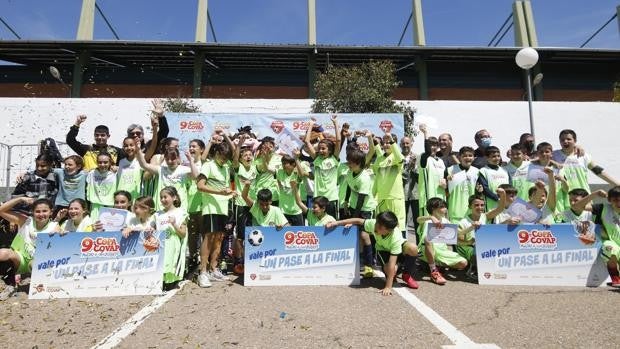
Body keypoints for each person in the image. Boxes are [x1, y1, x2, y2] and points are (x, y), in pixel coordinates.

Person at [326, 211, 420, 294]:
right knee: (390, 270)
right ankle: (396, 270)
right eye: (376, 223)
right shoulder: (375, 224)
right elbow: (358, 220)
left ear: (389, 230)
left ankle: (406, 275)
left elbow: (392, 263)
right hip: (383, 250)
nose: (375, 227)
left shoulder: (395, 238)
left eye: (379, 226)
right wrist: (336, 223)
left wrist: (388, 287)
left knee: (413, 248)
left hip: (397, 251)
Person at [0, 197, 58, 300]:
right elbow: (1, 210)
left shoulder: (54, 227)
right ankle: (10, 285)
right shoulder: (26, 221)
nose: (41, 214)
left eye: (44, 211)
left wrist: (62, 234)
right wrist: (19, 199)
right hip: (19, 259)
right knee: (3, 253)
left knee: (35, 263)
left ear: (51, 212)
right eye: (38, 211)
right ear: (33, 212)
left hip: (37, 262)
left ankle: (44, 287)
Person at [196, 142, 236, 287]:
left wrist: (231, 193)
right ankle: (203, 272)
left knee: (219, 238)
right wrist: (220, 192)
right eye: (223, 157)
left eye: (227, 158)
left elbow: (224, 187)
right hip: (211, 207)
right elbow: (200, 186)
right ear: (217, 153)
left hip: (223, 207)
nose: (224, 161)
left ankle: (213, 269)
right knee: (209, 237)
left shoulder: (225, 168)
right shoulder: (208, 165)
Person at [552, 129, 619, 213]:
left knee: (585, 224)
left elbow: (598, 171)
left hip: (583, 196)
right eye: (562, 140)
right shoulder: (554, 155)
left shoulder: (583, 156)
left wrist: (617, 184)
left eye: (569, 139)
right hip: (564, 196)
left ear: (575, 141)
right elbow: (537, 158)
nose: (565, 141)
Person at [572, 186, 620, 287]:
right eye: (615, 200)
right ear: (609, 200)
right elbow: (576, 207)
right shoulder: (603, 208)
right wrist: (595, 194)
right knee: (609, 248)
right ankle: (616, 278)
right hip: (612, 242)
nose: (618, 203)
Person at [457, 190, 507, 279]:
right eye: (476, 205)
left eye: (482, 205)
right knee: (480, 248)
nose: (480, 207)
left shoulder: (484, 216)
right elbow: (460, 242)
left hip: (481, 246)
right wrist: (472, 241)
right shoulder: (463, 222)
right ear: (469, 206)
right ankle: (473, 270)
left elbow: (500, 209)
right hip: (468, 247)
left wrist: (503, 195)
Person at [417, 197, 468, 285]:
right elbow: (418, 219)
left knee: (463, 263)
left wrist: (473, 227)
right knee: (427, 239)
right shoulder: (427, 220)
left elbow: (460, 233)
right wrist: (431, 217)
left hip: (441, 251)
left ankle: (435, 264)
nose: (445, 209)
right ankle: (434, 271)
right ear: (433, 209)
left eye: (445, 207)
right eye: (442, 207)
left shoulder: (445, 221)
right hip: (425, 250)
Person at [136, 146, 198, 212]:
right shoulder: (161, 169)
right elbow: (144, 165)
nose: (170, 161)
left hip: (179, 209)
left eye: (173, 159)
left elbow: (196, 176)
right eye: (167, 159)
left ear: (178, 158)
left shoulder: (184, 170)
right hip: (161, 209)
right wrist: (138, 150)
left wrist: (191, 160)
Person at [369, 132, 407, 235]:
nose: (386, 145)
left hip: (395, 198)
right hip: (382, 198)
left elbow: (400, 158)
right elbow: (377, 178)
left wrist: (391, 139)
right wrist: (373, 195)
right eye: (384, 143)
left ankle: (400, 250)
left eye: (388, 142)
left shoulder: (397, 157)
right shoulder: (380, 159)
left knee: (397, 226)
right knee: (383, 226)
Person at [304, 115, 342, 219]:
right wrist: (311, 125)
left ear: (330, 150)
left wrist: (335, 123)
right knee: (318, 224)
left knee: (332, 223)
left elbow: (338, 140)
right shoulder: (316, 158)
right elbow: (307, 142)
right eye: (319, 149)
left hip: (331, 197)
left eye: (323, 149)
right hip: (318, 197)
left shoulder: (334, 158)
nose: (320, 151)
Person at [154, 186, 188, 288]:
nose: (163, 200)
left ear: (174, 198)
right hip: (160, 245)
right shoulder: (157, 214)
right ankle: (163, 284)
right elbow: (153, 229)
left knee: (170, 266)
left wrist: (174, 224)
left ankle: (170, 284)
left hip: (173, 245)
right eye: (161, 197)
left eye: (165, 197)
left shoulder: (180, 213)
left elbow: (183, 233)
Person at [417, 124, 447, 218]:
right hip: (428, 200)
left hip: (440, 199)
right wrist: (425, 134)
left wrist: (445, 184)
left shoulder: (441, 161)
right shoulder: (423, 158)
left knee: (440, 226)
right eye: (430, 145)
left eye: (435, 145)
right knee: (427, 227)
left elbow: (445, 179)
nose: (432, 147)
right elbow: (427, 152)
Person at [446, 146, 479, 223]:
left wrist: (480, 190)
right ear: (459, 157)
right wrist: (447, 180)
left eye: (470, 155)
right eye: (464, 156)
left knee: (470, 234)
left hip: (471, 211)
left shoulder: (477, 171)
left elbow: (478, 192)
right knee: (458, 234)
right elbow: (445, 190)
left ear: (474, 157)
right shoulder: (450, 170)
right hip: (455, 212)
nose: (468, 158)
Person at [276, 152, 308, 226]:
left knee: (298, 234)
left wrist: (296, 158)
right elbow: (279, 184)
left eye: (285, 163)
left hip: (296, 211)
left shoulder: (296, 174)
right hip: (283, 210)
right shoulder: (280, 172)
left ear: (293, 164)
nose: (283, 165)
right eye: (282, 163)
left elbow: (302, 174)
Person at [477, 146, 509, 211]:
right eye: (494, 156)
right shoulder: (483, 171)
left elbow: (510, 188)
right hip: (491, 207)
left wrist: (506, 199)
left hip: (505, 205)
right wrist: (498, 199)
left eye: (498, 156)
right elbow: (485, 189)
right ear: (486, 158)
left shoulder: (505, 171)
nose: (497, 158)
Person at [86, 152, 117, 219]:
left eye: (105, 162)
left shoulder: (115, 174)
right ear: (96, 162)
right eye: (100, 162)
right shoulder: (92, 173)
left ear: (110, 163)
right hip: (95, 205)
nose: (102, 165)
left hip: (109, 205)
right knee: (95, 226)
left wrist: (117, 167)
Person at [400, 136, 419, 233]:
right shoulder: (397, 157)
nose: (405, 145)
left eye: (407, 143)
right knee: (402, 221)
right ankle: (403, 245)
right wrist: (407, 168)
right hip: (401, 194)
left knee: (418, 221)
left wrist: (414, 168)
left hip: (415, 194)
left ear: (411, 144)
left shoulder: (417, 157)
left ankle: (419, 246)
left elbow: (421, 177)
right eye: (403, 143)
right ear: (400, 145)